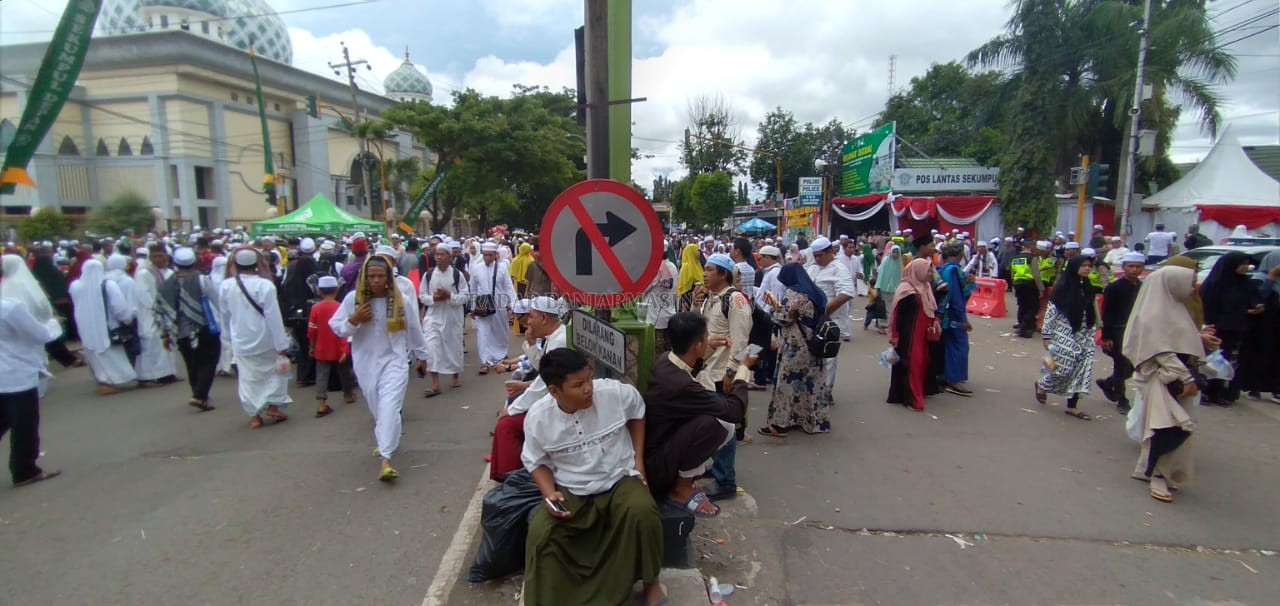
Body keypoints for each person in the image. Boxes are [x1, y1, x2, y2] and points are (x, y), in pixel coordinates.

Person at [521, 348, 665, 606]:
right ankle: (551, 597)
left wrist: (638, 462)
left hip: (618, 478)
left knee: (643, 511)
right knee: (541, 533)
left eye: (588, 379)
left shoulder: (614, 393)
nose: (588, 388)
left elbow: (638, 412)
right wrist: (548, 493)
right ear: (555, 392)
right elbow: (535, 461)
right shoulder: (538, 418)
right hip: (572, 489)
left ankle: (651, 584)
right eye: (578, 385)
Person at [330, 254, 429, 481]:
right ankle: (384, 438)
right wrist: (353, 319)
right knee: (376, 405)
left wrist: (422, 357)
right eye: (371, 276)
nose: (375, 280)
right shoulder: (353, 300)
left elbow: (414, 330)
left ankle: (385, 458)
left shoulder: (401, 300)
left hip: (395, 361)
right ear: (365, 277)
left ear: (388, 278)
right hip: (365, 362)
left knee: (389, 406)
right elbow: (337, 328)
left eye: (380, 276)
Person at [644, 312, 749, 518]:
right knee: (715, 424)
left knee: (713, 417)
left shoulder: (665, 360)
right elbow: (734, 412)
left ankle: (686, 479)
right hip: (657, 467)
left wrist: (707, 346)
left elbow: (689, 368)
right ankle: (680, 489)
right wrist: (743, 370)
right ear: (696, 345)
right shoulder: (682, 385)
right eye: (705, 336)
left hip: (658, 450)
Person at [1123, 265, 1206, 503]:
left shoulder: (1172, 308)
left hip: (1174, 379)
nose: (1192, 288)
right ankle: (1159, 475)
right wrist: (1186, 377)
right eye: (1189, 282)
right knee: (1170, 427)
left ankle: (1145, 469)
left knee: (1161, 426)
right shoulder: (1155, 314)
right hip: (1165, 381)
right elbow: (1161, 350)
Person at [1, 259, 64, 486]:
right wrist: (53, 323)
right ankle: (25, 470)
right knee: (24, 425)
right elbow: (39, 335)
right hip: (16, 373)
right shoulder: (9, 307)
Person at [491, 296, 567, 482]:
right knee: (512, 407)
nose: (528, 321)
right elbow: (543, 369)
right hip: (550, 395)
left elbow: (543, 386)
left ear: (543, 318)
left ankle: (513, 478)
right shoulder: (553, 337)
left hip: (557, 402)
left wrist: (511, 411)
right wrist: (532, 344)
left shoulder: (559, 340)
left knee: (506, 424)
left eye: (532, 316)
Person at [695, 253, 751, 500]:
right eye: (704, 270)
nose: (704, 274)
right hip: (706, 373)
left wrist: (732, 371)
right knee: (712, 426)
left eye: (709, 270)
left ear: (723, 274)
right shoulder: (710, 299)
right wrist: (696, 304)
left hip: (721, 375)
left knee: (725, 429)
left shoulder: (736, 300)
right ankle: (717, 467)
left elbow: (741, 339)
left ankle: (725, 480)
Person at [219, 247, 292, 429]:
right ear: (257, 264)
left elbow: (225, 315)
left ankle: (255, 416)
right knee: (274, 373)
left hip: (241, 339)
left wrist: (227, 337)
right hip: (266, 337)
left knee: (248, 378)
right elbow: (274, 316)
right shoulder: (265, 285)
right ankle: (273, 406)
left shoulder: (226, 285)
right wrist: (281, 343)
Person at [759, 263, 832, 435]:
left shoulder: (795, 295)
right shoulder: (816, 293)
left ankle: (779, 424)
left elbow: (784, 318)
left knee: (787, 384)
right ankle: (813, 422)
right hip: (814, 344)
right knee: (811, 385)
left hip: (796, 346)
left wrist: (773, 307)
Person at [156, 247, 221, 412]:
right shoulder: (202, 280)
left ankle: (198, 394)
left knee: (191, 363)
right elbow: (217, 300)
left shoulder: (167, 284)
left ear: (175, 263)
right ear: (194, 262)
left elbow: (162, 310)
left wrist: (165, 334)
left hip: (180, 331)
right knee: (208, 361)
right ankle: (200, 395)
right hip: (203, 327)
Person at [1034, 255, 1098, 419]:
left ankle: (1072, 406)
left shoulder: (1089, 287)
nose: (1087, 268)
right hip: (1064, 332)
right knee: (1061, 367)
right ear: (1074, 266)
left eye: (1089, 266)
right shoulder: (1063, 287)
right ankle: (1042, 384)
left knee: (1083, 369)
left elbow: (1093, 309)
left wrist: (1097, 327)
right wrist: (1046, 335)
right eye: (1083, 265)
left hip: (1085, 333)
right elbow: (1051, 312)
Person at [1199, 252, 1261, 406]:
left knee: (1228, 362)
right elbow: (1207, 307)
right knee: (1211, 361)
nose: (1246, 267)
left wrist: (1255, 307)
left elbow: (1253, 299)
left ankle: (1221, 392)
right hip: (1216, 329)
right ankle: (1205, 391)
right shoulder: (1215, 284)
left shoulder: (1246, 283)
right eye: (1243, 263)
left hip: (1238, 329)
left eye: (1247, 263)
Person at [70, 259, 138, 394]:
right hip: (107, 327)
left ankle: (103, 381)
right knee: (111, 353)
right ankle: (110, 382)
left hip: (85, 328)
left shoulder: (75, 285)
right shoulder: (108, 285)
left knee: (95, 354)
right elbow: (119, 307)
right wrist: (127, 318)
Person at [1096, 252, 1146, 413]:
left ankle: (1109, 382)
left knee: (1131, 367)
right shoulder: (1114, 288)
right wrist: (1107, 336)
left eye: (1137, 266)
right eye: (1130, 266)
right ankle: (1122, 400)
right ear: (1124, 267)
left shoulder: (1143, 287)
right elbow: (1107, 313)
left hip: (1136, 332)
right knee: (1121, 365)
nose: (1134, 269)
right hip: (1118, 332)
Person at [887, 259, 939, 411]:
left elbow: (931, 308)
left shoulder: (926, 287)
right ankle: (913, 399)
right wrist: (895, 335)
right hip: (910, 336)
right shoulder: (906, 290)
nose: (931, 274)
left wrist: (934, 321)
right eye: (928, 270)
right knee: (913, 364)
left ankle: (916, 393)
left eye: (931, 270)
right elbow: (897, 315)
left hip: (924, 335)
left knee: (923, 363)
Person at [420, 245, 471, 396]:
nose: (440, 257)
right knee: (432, 347)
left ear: (450, 257)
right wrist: (433, 298)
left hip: (452, 316)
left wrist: (450, 296)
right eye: (437, 254)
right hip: (433, 316)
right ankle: (435, 384)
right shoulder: (428, 275)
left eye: (443, 254)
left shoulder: (457, 275)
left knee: (453, 346)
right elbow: (422, 295)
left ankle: (455, 375)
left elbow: (465, 295)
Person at [807, 237, 856, 382]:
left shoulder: (839, 269)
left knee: (828, 357)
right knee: (814, 355)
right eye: (815, 255)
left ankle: (825, 393)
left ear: (831, 252)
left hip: (832, 321)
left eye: (820, 255)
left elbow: (846, 293)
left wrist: (824, 311)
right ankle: (814, 391)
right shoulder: (813, 268)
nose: (817, 258)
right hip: (813, 320)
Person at [307, 275, 354, 418]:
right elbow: (345, 329)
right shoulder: (340, 307)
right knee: (345, 372)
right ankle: (348, 394)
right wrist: (345, 349)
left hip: (321, 347)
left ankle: (322, 403)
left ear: (320, 291)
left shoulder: (316, 308)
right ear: (336, 290)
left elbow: (312, 330)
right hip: (339, 346)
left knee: (321, 374)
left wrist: (311, 347)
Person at [133, 245, 179, 385]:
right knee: (152, 344)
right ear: (150, 258)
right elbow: (143, 295)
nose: (158, 259)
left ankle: (167, 374)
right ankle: (146, 377)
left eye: (161, 256)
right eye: (155, 257)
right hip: (150, 315)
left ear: (166, 257)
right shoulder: (144, 273)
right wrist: (157, 309)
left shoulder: (169, 272)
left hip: (166, 315)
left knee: (167, 344)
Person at [1241, 251, 1280, 403]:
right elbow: (1259, 297)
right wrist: (1272, 277)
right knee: (1260, 355)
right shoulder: (1259, 278)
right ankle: (1254, 388)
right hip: (1263, 326)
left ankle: (1276, 389)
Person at [471, 242, 516, 374]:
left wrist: (513, 304)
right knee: (483, 333)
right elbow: (473, 288)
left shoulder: (502, 268)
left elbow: (508, 286)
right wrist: (473, 306)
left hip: (500, 305)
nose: (487, 258)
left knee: (500, 331)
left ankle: (501, 355)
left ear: (495, 255)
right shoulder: (476, 268)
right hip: (483, 305)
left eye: (490, 255)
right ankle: (485, 361)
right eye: (485, 255)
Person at [280, 237, 319, 387]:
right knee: (308, 343)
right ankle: (308, 374)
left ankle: (303, 375)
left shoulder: (291, 269)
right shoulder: (310, 272)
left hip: (294, 312)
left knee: (301, 345)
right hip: (306, 312)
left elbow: (284, 289)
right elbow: (315, 289)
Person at [938, 243, 974, 396]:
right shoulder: (953, 271)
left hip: (945, 314)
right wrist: (963, 319)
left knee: (949, 345)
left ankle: (946, 374)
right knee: (960, 346)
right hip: (953, 314)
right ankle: (953, 379)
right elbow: (955, 298)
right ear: (960, 254)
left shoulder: (944, 268)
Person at [751, 245, 785, 390]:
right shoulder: (769, 272)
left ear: (769, 258)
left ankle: (760, 379)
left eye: (762, 257)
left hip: (766, 317)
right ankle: (766, 376)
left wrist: (767, 316)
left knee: (760, 346)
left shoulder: (775, 273)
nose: (760, 260)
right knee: (767, 348)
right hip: (762, 314)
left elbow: (775, 298)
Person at [642, 250, 678, 358]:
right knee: (668, 351)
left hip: (656, 317)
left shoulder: (658, 269)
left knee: (657, 353)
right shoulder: (672, 266)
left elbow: (644, 288)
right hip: (669, 313)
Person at [1010, 241, 1047, 338]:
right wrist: (1041, 288)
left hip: (1018, 283)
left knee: (1022, 305)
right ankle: (1024, 326)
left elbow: (1012, 273)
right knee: (1033, 306)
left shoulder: (1015, 258)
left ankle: (1022, 325)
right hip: (1029, 284)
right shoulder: (1032, 258)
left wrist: (1014, 284)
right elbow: (1036, 274)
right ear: (1031, 248)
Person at [867, 245, 903, 335]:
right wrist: (878, 288)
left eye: (897, 252)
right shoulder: (886, 261)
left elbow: (900, 277)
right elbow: (881, 275)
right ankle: (883, 326)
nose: (895, 254)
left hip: (895, 289)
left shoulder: (899, 263)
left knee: (892, 308)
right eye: (894, 252)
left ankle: (889, 326)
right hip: (884, 288)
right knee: (883, 308)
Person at [676, 242, 702, 312]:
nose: (699, 253)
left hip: (697, 300)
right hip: (687, 299)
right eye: (697, 250)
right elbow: (685, 286)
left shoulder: (698, 265)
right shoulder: (686, 267)